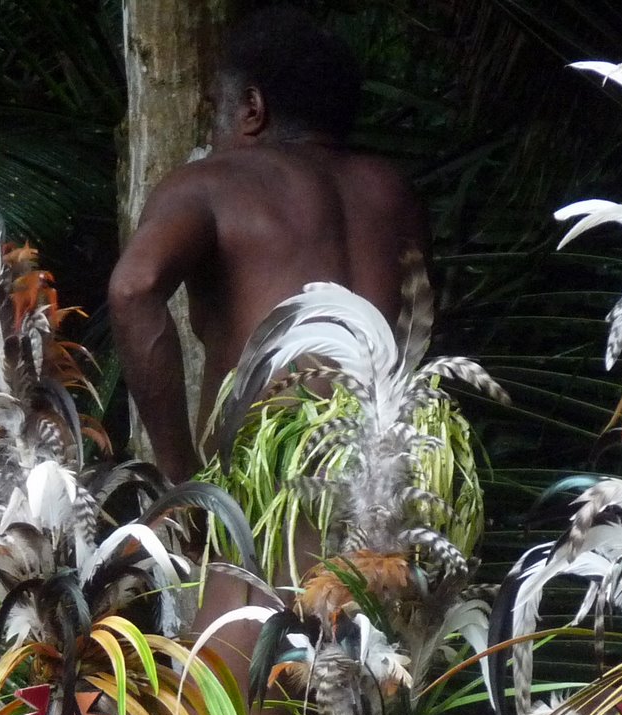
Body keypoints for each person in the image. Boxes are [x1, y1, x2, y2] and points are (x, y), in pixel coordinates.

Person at [109, 5, 428, 485]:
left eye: (216, 107)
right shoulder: (392, 193)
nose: (212, 131)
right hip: (392, 480)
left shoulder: (213, 183)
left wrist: (179, 478)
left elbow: (133, 287)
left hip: (271, 492)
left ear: (252, 108)